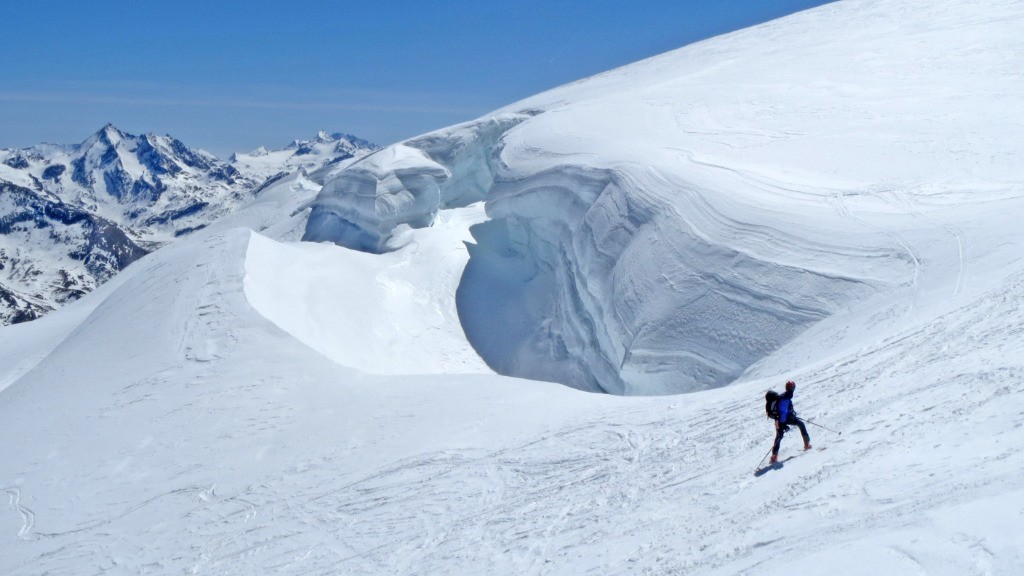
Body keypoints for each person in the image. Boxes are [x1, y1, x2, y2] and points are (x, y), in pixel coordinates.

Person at [770, 380, 811, 463]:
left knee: (780, 436)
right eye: (792, 387)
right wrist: (783, 425)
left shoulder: (787, 397)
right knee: (780, 435)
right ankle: (807, 444)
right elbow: (783, 412)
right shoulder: (785, 398)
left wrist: (792, 414)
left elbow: (787, 410)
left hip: (783, 419)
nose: (793, 389)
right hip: (781, 420)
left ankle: (774, 456)